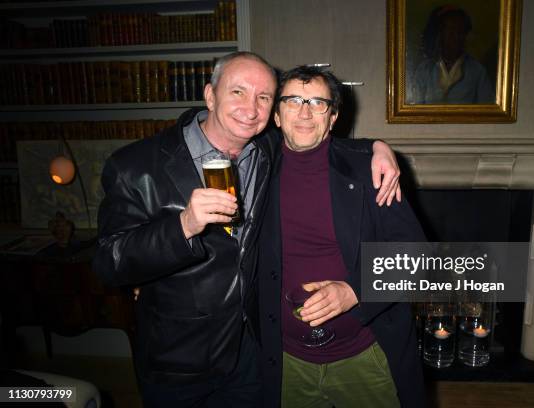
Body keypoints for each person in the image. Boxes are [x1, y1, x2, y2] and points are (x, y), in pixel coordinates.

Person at [93, 52, 402, 408]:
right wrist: (183, 226)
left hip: (254, 352)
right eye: (238, 92)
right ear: (210, 95)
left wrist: (379, 148)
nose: (250, 108)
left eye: (263, 97)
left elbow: (318, 137)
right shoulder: (135, 166)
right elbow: (107, 262)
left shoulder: (268, 150)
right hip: (179, 361)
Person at [258, 65, 427, 408]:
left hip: (363, 357)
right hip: (285, 363)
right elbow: (214, 119)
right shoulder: (255, 169)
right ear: (276, 115)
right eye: (292, 101)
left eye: (318, 103)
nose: (305, 112)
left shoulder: (369, 172)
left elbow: (415, 256)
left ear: (332, 117)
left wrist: (355, 291)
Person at [410, 5, 494, 104]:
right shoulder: (424, 70)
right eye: (451, 30)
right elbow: (415, 110)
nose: (456, 36)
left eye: (461, 31)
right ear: (441, 34)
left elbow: (486, 109)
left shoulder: (477, 72)